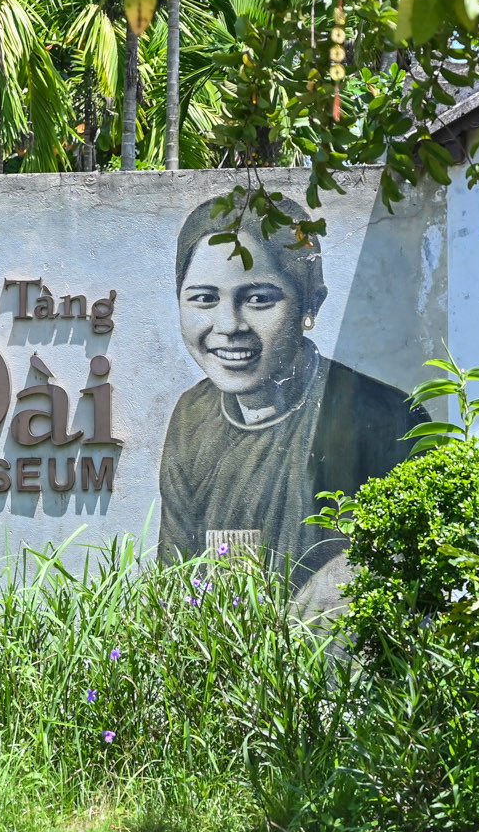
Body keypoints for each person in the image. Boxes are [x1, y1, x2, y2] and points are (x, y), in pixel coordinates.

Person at [157, 194, 425, 607]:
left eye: (259, 298)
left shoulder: (388, 418)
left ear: (309, 303)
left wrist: (349, 575)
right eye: (204, 298)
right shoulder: (193, 417)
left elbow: (420, 569)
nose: (229, 325)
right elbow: (175, 585)